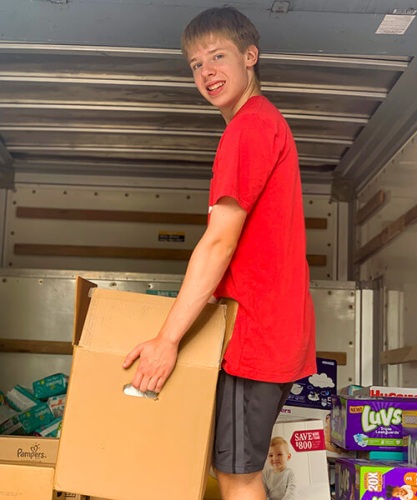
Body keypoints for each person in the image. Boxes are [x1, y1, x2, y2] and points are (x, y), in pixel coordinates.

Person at [123, 6, 316, 499]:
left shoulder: (248, 128)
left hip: (255, 337)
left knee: (238, 477)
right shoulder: (263, 124)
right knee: (235, 471)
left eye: (218, 56)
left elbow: (219, 241)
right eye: (195, 64)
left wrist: (167, 341)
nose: (206, 71)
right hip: (266, 330)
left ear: (250, 57)